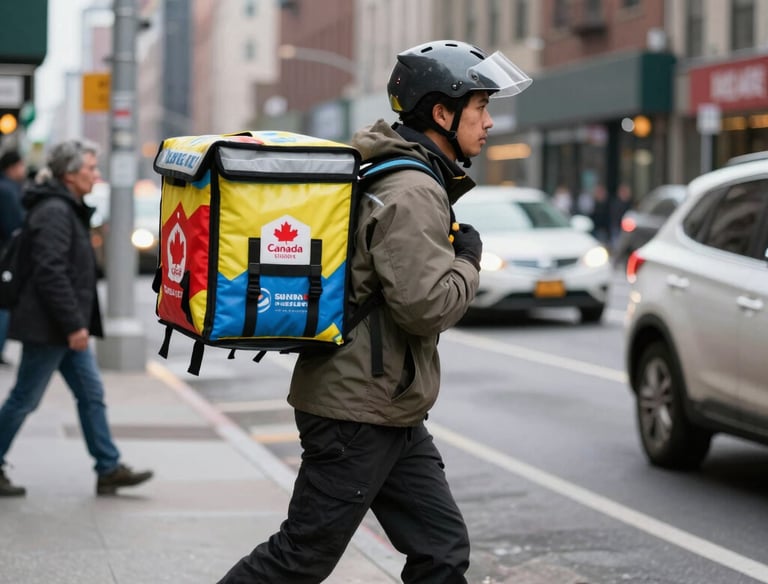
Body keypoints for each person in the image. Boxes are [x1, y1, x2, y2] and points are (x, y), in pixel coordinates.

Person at [218, 40, 532, 583]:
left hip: (388, 405)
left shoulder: (396, 171)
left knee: (441, 550)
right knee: (302, 556)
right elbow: (427, 307)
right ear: (442, 112)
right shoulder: (412, 189)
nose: (489, 123)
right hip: (358, 410)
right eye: (481, 108)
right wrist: (469, 261)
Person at [0, 139, 153, 497]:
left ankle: (108, 467)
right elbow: (50, 272)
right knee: (25, 398)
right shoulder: (55, 211)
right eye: (90, 169)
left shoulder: (64, 207)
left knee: (91, 394)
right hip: (52, 327)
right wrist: (73, 325)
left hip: (63, 326)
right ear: (69, 174)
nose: (96, 175)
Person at [0, 149, 26, 366]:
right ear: (12, 167)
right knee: (3, 307)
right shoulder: (8, 191)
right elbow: (14, 227)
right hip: (5, 259)